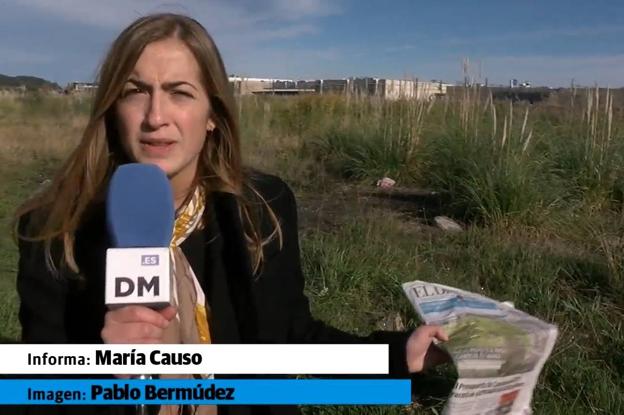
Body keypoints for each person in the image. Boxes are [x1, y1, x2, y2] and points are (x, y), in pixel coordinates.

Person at [12, 13, 449, 415]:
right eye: (134, 92)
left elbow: (290, 338)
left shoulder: (260, 209)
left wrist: (398, 354)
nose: (155, 117)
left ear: (212, 116)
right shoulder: (54, 230)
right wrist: (102, 366)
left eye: (180, 93)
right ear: (111, 110)